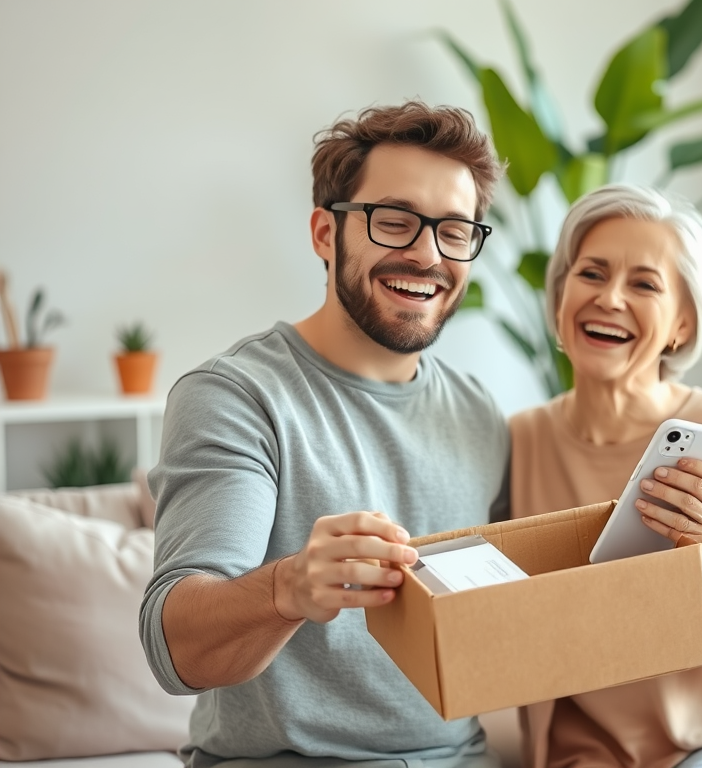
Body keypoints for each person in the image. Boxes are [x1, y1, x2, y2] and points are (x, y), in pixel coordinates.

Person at [139, 101, 510, 768]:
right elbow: (177, 651)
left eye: (454, 232)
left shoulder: (482, 414)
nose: (426, 255)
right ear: (324, 232)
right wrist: (289, 588)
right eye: (394, 221)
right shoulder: (237, 397)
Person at [509, 183, 702, 768]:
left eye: (644, 284)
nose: (610, 298)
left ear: (681, 324)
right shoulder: (519, 439)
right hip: (587, 754)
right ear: (560, 299)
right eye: (592, 274)